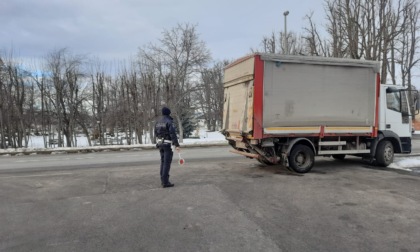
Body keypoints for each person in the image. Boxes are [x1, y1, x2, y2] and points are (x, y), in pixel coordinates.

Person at [154, 107, 180, 188]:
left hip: (160, 143)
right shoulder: (169, 121)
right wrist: (177, 145)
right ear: (169, 113)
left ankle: (163, 180)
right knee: (167, 163)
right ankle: (165, 182)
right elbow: (172, 134)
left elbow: (155, 133)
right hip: (167, 144)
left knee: (162, 162)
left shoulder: (157, 122)